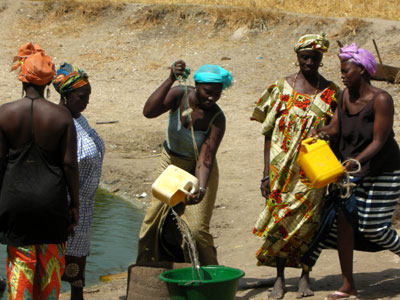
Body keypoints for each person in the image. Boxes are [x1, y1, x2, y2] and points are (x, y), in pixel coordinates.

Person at [303, 43, 400, 300]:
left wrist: (354, 162)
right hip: (351, 172)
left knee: (373, 227)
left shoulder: (381, 99)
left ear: (362, 70)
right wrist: (320, 131)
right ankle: (348, 286)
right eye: (341, 70)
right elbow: (335, 127)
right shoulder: (344, 96)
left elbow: (379, 141)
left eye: (346, 70)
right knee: (342, 224)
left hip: (383, 170)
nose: (342, 75)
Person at [250, 33, 340, 299]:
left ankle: (304, 276)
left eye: (315, 57)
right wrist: (266, 173)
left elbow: (338, 130)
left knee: (309, 223)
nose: (309, 62)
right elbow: (267, 133)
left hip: (312, 171)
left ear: (321, 59)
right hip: (281, 170)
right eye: (305, 57)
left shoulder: (331, 92)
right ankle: (279, 278)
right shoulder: (280, 88)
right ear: (297, 57)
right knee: (280, 222)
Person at [0, 43, 79, 300]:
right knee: (50, 270)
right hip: (52, 203)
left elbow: (0, 163)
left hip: (15, 201)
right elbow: (69, 164)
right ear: (47, 82)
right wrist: (75, 203)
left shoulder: (5, 114)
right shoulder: (61, 116)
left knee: (20, 268)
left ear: (22, 77)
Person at [136, 61, 232, 266]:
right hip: (171, 165)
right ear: (196, 85)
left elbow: (206, 157)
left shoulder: (217, 118)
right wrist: (170, 78)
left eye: (217, 93)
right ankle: (149, 272)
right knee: (151, 223)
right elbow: (149, 112)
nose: (211, 97)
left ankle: (210, 277)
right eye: (207, 91)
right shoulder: (179, 94)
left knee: (197, 230)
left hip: (199, 169)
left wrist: (202, 188)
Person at [53, 63, 105, 300]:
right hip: (66, 203)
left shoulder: (78, 119)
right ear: (66, 96)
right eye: (82, 97)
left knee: (76, 261)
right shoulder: (59, 122)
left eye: (88, 96)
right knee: (55, 258)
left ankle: (77, 295)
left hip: (82, 204)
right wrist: (72, 203)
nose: (87, 102)